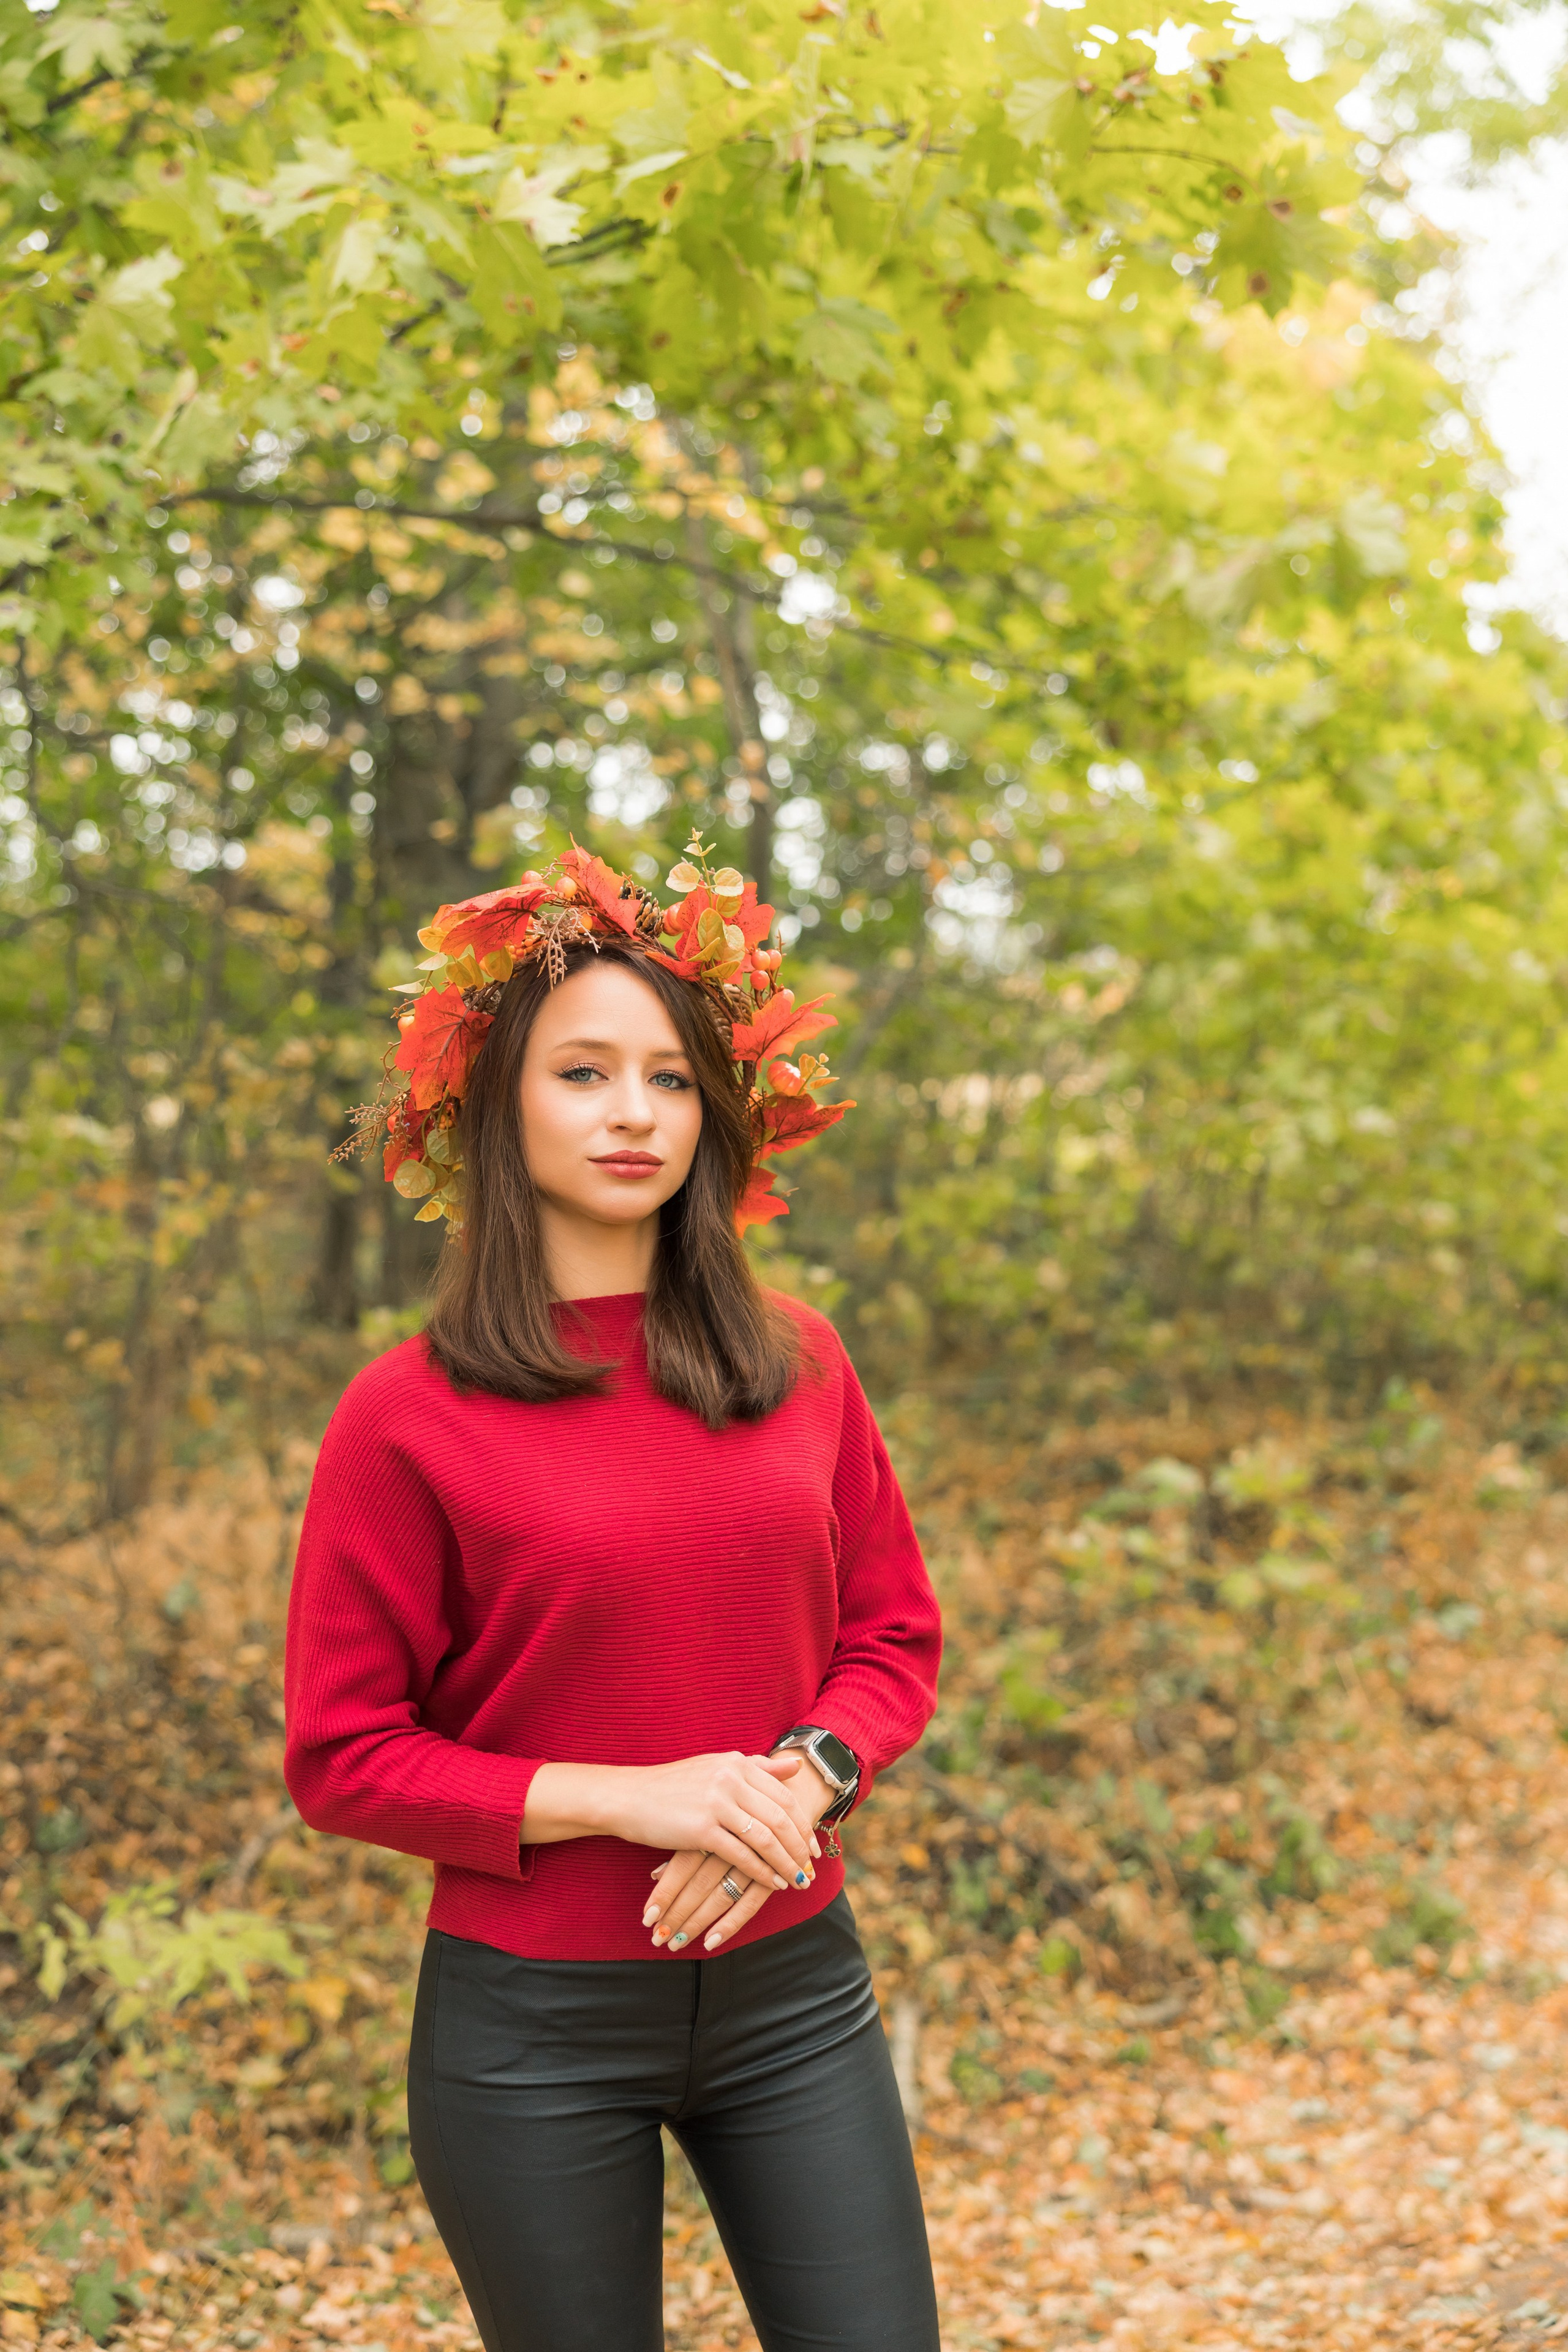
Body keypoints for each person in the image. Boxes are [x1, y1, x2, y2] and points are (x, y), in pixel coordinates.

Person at [283, 839, 944, 2352]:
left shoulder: (800, 1362)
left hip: (793, 1996)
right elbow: (342, 1755)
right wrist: (637, 1801)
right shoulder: (407, 1416)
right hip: (531, 2031)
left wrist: (802, 1779)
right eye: (583, 1073)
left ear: (716, 1109)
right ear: (496, 1103)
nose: (634, 1112)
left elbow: (892, 1638)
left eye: (666, 1075)